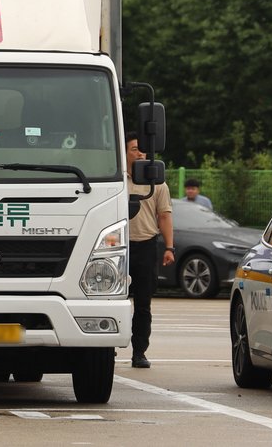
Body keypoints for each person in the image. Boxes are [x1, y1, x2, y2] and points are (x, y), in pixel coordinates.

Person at [125, 137, 173, 369]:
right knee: (113, 301)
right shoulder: (114, 180)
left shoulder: (157, 182)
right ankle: (107, 348)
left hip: (146, 246)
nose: (141, 154)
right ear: (124, 153)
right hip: (117, 246)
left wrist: (169, 247)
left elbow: (164, 216)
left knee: (143, 304)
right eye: (135, 149)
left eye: (143, 150)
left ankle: (139, 352)